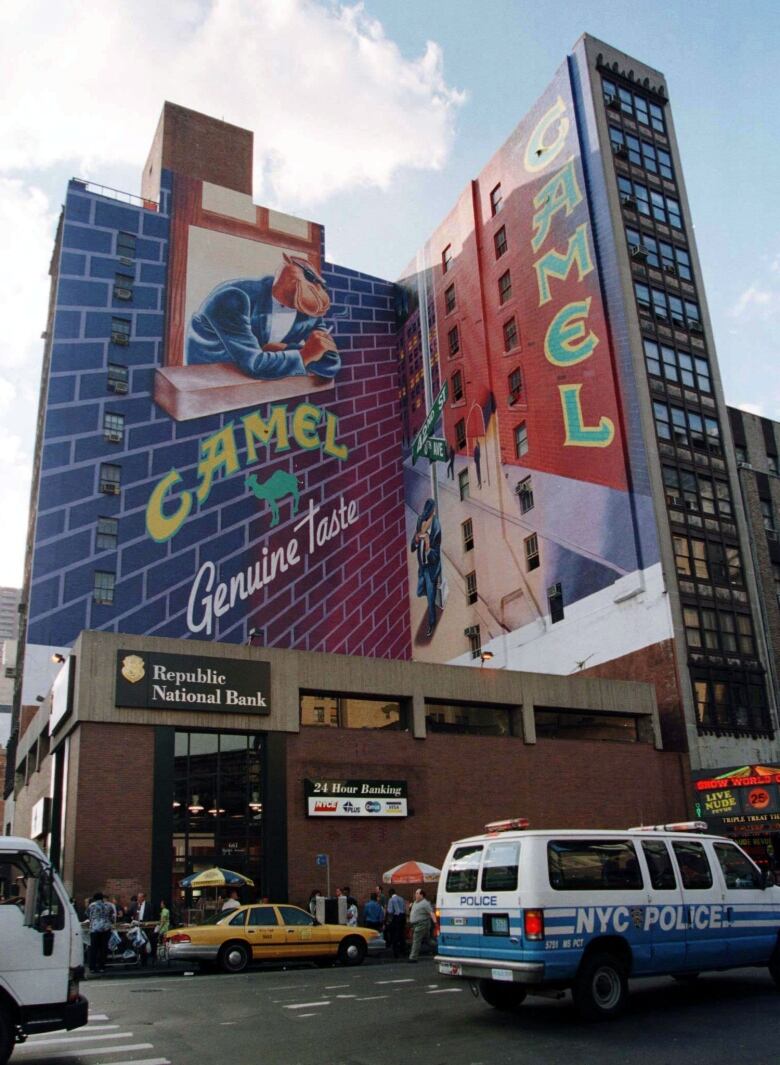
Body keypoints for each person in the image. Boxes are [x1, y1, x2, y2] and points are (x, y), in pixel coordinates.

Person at [186, 254, 341, 382]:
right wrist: (305, 355)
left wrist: (285, 349)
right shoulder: (234, 297)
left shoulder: (309, 314)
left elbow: (331, 363)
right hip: (211, 381)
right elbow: (255, 365)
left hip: (263, 385)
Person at [411, 497, 442, 638]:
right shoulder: (420, 521)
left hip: (431, 569)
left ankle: (431, 623)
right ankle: (434, 591)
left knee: (430, 598)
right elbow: (413, 545)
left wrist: (428, 545)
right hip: (422, 567)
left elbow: (436, 556)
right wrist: (417, 540)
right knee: (418, 592)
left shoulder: (436, 528)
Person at [87, 892, 116, 974]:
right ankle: (102, 967)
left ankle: (92, 967)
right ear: (102, 898)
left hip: (95, 929)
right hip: (105, 929)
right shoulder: (109, 906)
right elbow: (112, 917)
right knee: (103, 949)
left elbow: (88, 915)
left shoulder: (91, 905)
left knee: (94, 949)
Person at [408, 888, 435, 962]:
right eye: (415, 893)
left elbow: (431, 913)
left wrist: (435, 922)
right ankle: (438, 948)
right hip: (415, 925)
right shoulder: (415, 902)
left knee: (416, 940)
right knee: (428, 940)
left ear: (422, 895)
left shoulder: (425, 903)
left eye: (417, 893)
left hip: (422, 924)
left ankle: (413, 958)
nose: (415, 895)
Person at [385, 889, 407, 958]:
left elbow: (390, 911)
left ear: (390, 894)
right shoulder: (401, 898)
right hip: (403, 917)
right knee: (402, 934)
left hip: (396, 918)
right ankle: (403, 950)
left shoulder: (391, 900)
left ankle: (396, 953)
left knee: (394, 935)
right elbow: (404, 908)